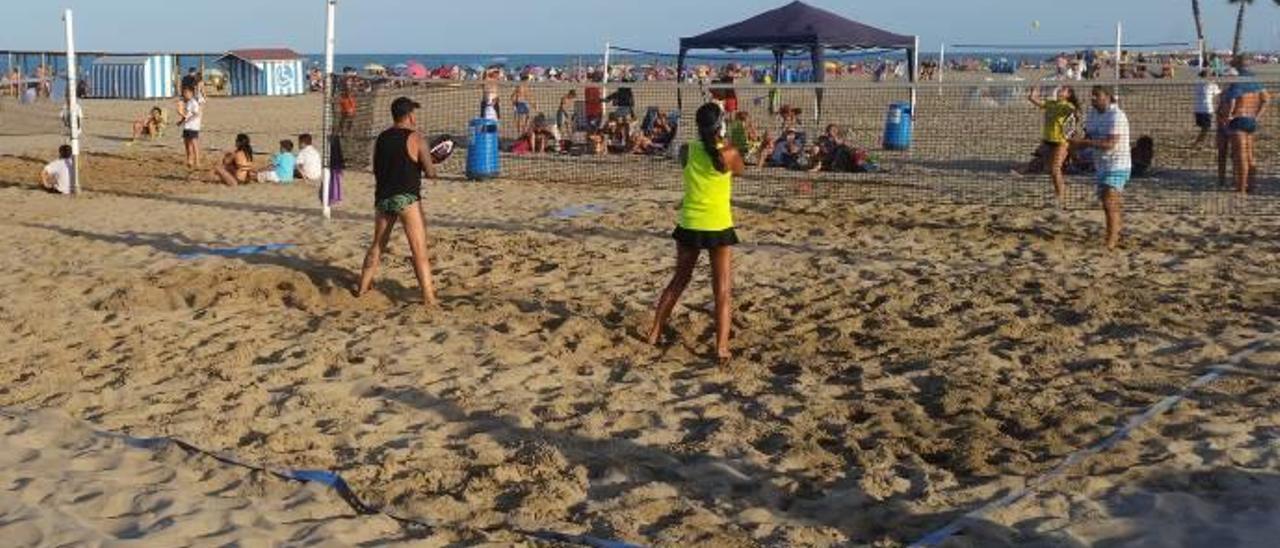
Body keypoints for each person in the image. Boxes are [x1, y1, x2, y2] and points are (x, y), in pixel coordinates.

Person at [646, 103, 746, 364]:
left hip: (690, 222)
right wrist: (724, 141)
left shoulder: (686, 149)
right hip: (718, 225)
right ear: (720, 126)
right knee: (722, 290)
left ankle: (654, 332)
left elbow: (696, 161)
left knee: (679, 280)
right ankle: (721, 348)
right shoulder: (729, 152)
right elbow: (739, 169)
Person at [358, 97, 439, 306]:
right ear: (410, 115)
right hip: (407, 198)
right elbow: (430, 173)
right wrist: (431, 161)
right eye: (414, 113)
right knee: (418, 250)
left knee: (377, 246)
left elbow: (377, 168)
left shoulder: (381, 138)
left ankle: (362, 289)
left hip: (383, 198)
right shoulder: (417, 138)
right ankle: (429, 298)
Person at [1070, 86, 1131, 251]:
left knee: (1108, 201)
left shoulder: (1117, 116)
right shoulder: (1092, 114)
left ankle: (1111, 241)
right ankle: (1117, 232)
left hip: (1118, 163)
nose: (1093, 98)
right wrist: (1076, 147)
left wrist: (1084, 143)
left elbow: (1110, 144)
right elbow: (1089, 138)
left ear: (1108, 97)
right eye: (1092, 96)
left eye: (1097, 95)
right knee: (1110, 203)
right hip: (1101, 165)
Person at [1221, 57, 1271, 194]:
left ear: (1236, 65)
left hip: (1238, 120)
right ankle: (1252, 185)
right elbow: (1266, 99)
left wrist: (1228, 116)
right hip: (1251, 120)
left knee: (1240, 156)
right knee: (1249, 156)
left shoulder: (1237, 80)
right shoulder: (1254, 79)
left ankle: (1241, 188)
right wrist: (1257, 116)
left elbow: (1231, 101)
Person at [1022, 85, 1080, 202]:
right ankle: (1060, 189)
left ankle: (1060, 195)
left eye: (1063, 89)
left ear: (1068, 94)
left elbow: (1074, 112)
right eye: (1060, 89)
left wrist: (1075, 113)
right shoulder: (1051, 103)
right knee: (1049, 169)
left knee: (1055, 169)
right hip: (1048, 141)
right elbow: (1033, 99)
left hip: (1061, 142)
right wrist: (1034, 90)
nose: (1060, 90)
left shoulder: (1067, 106)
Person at [1192, 70, 1221, 147]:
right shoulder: (1212, 84)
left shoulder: (1197, 84)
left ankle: (1205, 142)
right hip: (1206, 109)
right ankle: (1197, 143)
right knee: (1206, 128)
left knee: (1206, 128)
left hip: (1197, 109)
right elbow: (1219, 95)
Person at [176, 86, 202, 171]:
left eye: (186, 93)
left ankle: (197, 161)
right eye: (184, 93)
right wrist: (181, 121)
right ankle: (189, 159)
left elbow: (196, 114)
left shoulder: (194, 102)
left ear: (191, 93)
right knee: (187, 143)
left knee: (194, 144)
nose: (185, 95)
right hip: (187, 126)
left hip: (193, 126)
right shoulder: (188, 103)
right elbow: (187, 114)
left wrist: (187, 118)